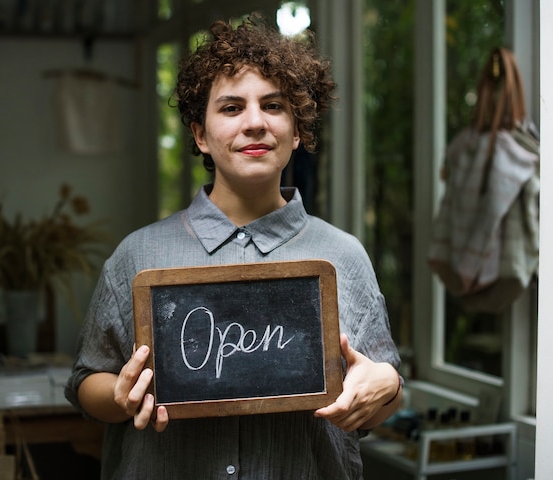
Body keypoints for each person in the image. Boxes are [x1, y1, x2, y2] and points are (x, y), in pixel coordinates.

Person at [65, 15, 402, 479]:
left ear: (298, 129)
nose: (255, 123)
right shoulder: (137, 256)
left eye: (274, 105)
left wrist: (387, 386)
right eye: (230, 108)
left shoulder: (343, 256)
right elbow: (87, 381)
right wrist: (120, 395)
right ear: (200, 135)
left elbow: (381, 392)